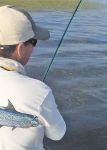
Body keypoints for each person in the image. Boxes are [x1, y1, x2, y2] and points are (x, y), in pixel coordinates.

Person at [0, 5, 66, 150]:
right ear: (20, 48)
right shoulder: (38, 91)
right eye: (33, 42)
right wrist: (40, 98)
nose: (34, 48)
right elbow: (58, 134)